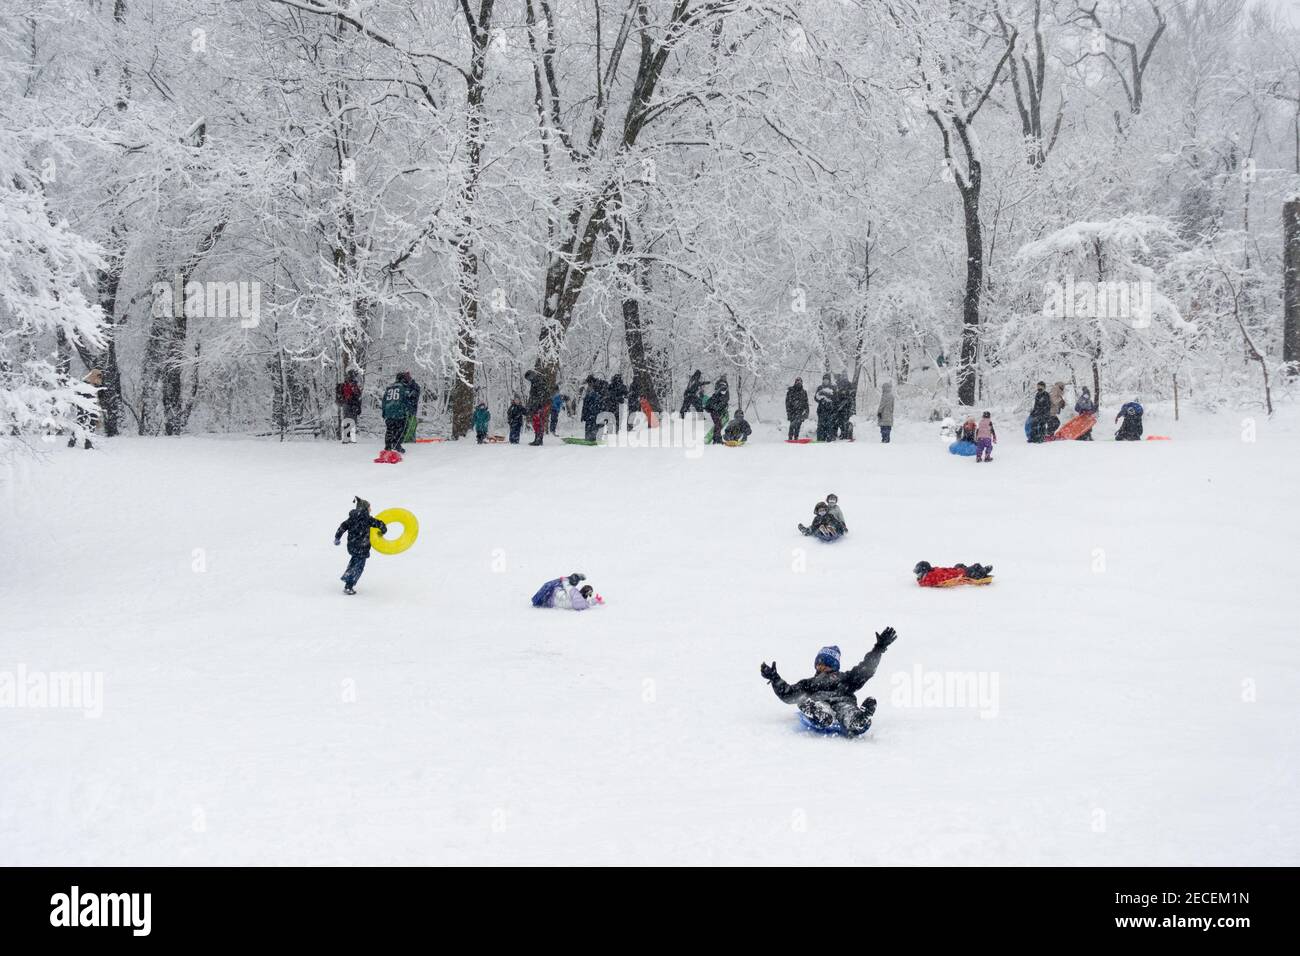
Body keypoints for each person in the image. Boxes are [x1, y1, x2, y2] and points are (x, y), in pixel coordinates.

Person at [759, 627, 898, 737]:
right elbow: (789, 694)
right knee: (816, 704)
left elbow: (865, 669)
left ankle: (858, 719)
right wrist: (775, 678)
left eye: (826, 663)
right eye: (819, 663)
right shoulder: (809, 683)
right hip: (820, 701)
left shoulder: (846, 678)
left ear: (834, 666)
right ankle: (821, 715)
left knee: (847, 710)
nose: (821, 666)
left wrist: (878, 649)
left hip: (844, 701)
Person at [334, 496, 387, 595]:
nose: (370, 509)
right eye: (369, 507)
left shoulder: (351, 518)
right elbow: (380, 524)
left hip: (352, 546)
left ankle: (348, 576)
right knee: (359, 567)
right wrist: (383, 531)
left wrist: (337, 537)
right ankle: (349, 585)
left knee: (354, 562)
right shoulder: (367, 518)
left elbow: (342, 526)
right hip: (362, 547)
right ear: (365, 508)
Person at [68, 368, 103, 449]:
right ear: (94, 376)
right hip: (84, 410)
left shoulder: (92, 386)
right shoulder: (85, 386)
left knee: (85, 425)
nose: (99, 380)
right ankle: (75, 442)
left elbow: (95, 400)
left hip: (90, 410)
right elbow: (80, 398)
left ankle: (84, 443)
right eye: (98, 377)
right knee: (81, 425)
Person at [381, 373, 415, 452]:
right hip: (399, 412)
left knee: (389, 429)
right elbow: (406, 401)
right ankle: (397, 445)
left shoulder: (389, 387)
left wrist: (384, 412)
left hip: (389, 412)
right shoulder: (403, 388)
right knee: (400, 430)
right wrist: (409, 410)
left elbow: (384, 400)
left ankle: (388, 446)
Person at [530, 572, 601, 610]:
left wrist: (564, 580)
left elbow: (568, 587)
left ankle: (574, 579)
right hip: (551, 603)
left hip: (554, 593)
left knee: (555, 584)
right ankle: (539, 601)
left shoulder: (575, 594)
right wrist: (596, 600)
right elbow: (588, 603)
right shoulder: (582, 604)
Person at [913, 561, 993, 587]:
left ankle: (977, 571)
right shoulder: (930, 577)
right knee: (977, 566)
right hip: (959, 574)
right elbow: (945, 579)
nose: (918, 574)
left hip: (955, 571)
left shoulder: (929, 574)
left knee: (960, 565)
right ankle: (983, 572)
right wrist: (959, 575)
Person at [335, 370, 362, 444]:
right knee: (352, 421)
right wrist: (358, 406)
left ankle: (347, 438)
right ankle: (350, 438)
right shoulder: (353, 384)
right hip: (352, 405)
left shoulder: (345, 384)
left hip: (346, 404)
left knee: (347, 421)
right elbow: (357, 396)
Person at [524, 369, 549, 445]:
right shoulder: (535, 381)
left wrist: (537, 406)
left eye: (528, 378)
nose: (529, 380)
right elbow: (533, 396)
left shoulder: (539, 381)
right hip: (537, 405)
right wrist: (530, 406)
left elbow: (540, 396)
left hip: (541, 405)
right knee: (536, 422)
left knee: (539, 421)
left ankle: (539, 439)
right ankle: (537, 438)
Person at [704, 375, 729, 444]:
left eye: (725, 391)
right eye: (723, 390)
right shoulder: (716, 396)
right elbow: (714, 405)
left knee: (718, 425)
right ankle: (717, 440)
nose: (724, 392)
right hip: (713, 411)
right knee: (718, 425)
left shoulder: (721, 396)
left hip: (715, 411)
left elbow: (722, 404)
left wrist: (724, 408)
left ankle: (716, 439)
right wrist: (716, 408)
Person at [580, 376, 606, 441]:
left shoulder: (596, 390)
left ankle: (592, 439)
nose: (588, 385)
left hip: (593, 414)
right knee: (591, 427)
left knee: (592, 427)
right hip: (592, 414)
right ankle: (591, 438)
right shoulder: (593, 390)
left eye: (589, 383)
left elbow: (587, 404)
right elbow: (586, 404)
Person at [400, 371, 421, 445]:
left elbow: (416, 393)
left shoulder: (414, 387)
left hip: (411, 411)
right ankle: (405, 440)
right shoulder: (402, 386)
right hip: (403, 412)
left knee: (411, 426)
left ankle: (409, 440)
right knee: (406, 427)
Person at [814, 373, 836, 442]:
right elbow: (816, 398)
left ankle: (830, 439)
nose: (825, 381)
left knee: (829, 426)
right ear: (823, 380)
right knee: (820, 426)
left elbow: (836, 398)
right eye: (824, 380)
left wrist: (829, 398)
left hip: (830, 411)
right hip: (821, 411)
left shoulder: (833, 388)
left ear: (829, 381)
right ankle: (820, 439)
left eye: (827, 380)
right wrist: (821, 398)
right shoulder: (820, 388)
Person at [834, 372, 855, 440]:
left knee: (844, 421)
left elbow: (852, 394)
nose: (843, 377)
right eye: (843, 375)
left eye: (844, 375)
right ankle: (841, 434)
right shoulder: (838, 383)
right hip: (839, 405)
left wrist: (846, 393)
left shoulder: (849, 384)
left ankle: (845, 434)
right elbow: (836, 393)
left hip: (846, 406)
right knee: (839, 421)